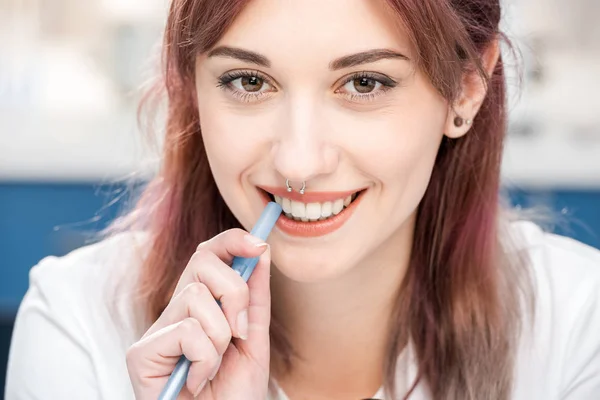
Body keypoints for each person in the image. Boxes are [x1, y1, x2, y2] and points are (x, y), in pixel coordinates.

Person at [6, 0, 600, 399]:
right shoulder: (77, 320)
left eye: (365, 84)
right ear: (192, 86)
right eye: (248, 81)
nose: (297, 161)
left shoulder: (577, 324)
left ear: (467, 89)